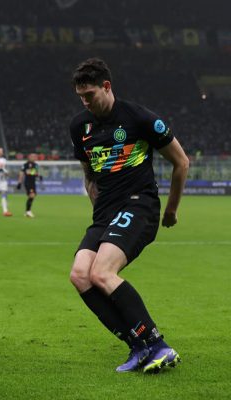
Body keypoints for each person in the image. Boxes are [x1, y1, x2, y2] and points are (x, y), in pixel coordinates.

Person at [68, 58, 189, 373]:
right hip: (105, 211)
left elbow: (182, 162)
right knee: (80, 275)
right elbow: (89, 173)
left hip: (139, 204)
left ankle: (159, 345)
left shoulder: (138, 118)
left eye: (90, 95)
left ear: (106, 87)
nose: (85, 102)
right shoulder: (79, 127)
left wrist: (172, 210)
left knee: (102, 273)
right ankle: (138, 347)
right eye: (80, 97)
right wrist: (93, 199)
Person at [16, 153, 42, 218]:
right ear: (29, 157)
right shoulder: (25, 165)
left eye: (35, 156)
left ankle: (27, 211)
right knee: (32, 195)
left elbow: (35, 173)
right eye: (32, 156)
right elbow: (21, 173)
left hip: (33, 183)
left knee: (33, 196)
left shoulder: (36, 165)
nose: (34, 157)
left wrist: (39, 176)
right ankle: (28, 211)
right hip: (28, 182)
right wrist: (19, 182)